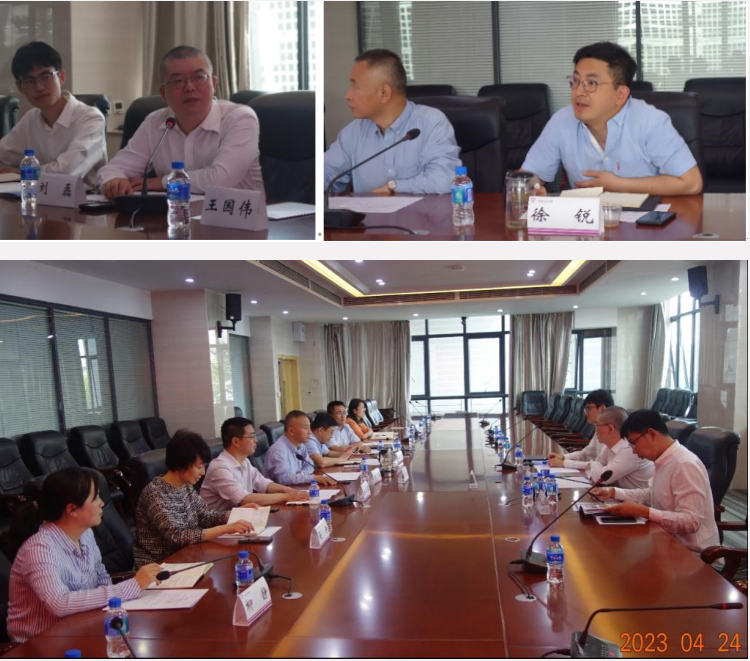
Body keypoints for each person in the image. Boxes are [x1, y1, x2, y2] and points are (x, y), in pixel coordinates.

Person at [521, 42, 702, 196]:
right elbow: (530, 175)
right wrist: (532, 188)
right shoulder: (562, 121)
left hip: (644, 221)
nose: (578, 91)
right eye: (575, 81)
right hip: (585, 223)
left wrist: (618, 185)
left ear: (620, 95)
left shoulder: (651, 122)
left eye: (591, 83)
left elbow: (691, 183)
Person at [6, 468, 162, 643]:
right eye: (95, 498)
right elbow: (59, 603)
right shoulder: (39, 549)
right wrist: (131, 587)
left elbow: (101, 576)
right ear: (72, 509)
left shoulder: (85, 533)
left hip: (80, 627)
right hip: (40, 643)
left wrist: (112, 608)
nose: (101, 503)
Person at [97, 45, 264, 198]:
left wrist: (164, 182)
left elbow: (221, 179)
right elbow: (112, 169)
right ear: (163, 93)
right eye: (177, 81)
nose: (189, 87)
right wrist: (113, 181)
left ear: (213, 84)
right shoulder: (155, 122)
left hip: (236, 217)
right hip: (173, 216)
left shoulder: (239, 118)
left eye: (199, 77)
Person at [324, 49, 461, 195]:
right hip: (368, 211)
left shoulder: (431, 123)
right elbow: (324, 175)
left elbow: (444, 180)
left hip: (422, 211)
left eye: (355, 86)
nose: (348, 95)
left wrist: (393, 187)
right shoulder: (354, 132)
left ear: (384, 93)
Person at [592, 409, 719, 553]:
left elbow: (691, 522)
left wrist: (644, 512)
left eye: (633, 443)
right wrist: (613, 492)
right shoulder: (663, 460)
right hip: (663, 540)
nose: (633, 451)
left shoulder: (684, 464)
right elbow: (653, 494)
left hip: (691, 553)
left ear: (651, 434)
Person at [134, 430, 258, 567]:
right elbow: (178, 536)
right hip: (160, 564)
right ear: (181, 463)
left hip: (188, 554)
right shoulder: (155, 493)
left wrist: (235, 513)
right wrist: (225, 529)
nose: (203, 472)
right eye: (199, 467)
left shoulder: (185, 486)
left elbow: (204, 516)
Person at [0, 42, 107, 187]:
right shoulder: (31, 119)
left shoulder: (91, 118)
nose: (39, 87)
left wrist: (23, 172)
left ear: (61, 77)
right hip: (39, 197)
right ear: (20, 87)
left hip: (87, 199)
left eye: (45, 77)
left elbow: (68, 171)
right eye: (29, 81)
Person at [200, 417, 308, 510]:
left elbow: (263, 483)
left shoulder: (245, 461)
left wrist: (289, 490)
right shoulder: (220, 468)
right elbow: (244, 499)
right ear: (236, 441)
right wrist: (285, 497)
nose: (256, 440)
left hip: (240, 517)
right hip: (219, 523)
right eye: (251, 437)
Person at [572, 406, 654, 488]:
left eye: (597, 425)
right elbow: (597, 467)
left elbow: (600, 478)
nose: (595, 430)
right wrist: (594, 469)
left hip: (635, 495)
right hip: (620, 492)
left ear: (610, 428)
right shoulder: (609, 445)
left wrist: (593, 465)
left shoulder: (630, 449)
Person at [263, 411, 338, 487]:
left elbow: (310, 465)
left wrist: (301, 475)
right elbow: (284, 479)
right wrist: (313, 478)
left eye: (309, 428)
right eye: (306, 428)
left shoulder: (301, 445)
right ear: (291, 431)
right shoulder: (278, 450)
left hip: (296, 488)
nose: (310, 432)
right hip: (281, 492)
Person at [548, 389, 613, 467]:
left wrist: (564, 463)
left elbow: (600, 466)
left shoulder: (613, 432)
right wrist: (562, 457)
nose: (586, 413)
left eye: (588, 408)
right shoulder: (599, 428)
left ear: (602, 408)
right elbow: (585, 454)